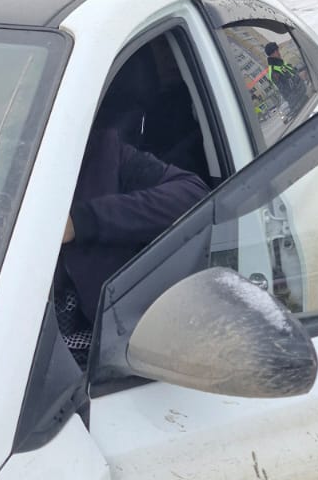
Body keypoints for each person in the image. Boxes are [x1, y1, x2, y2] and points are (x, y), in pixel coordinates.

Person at [54, 131, 208, 364]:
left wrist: (81, 222)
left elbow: (194, 196)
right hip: (27, 360)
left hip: (116, 350)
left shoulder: (99, 153)